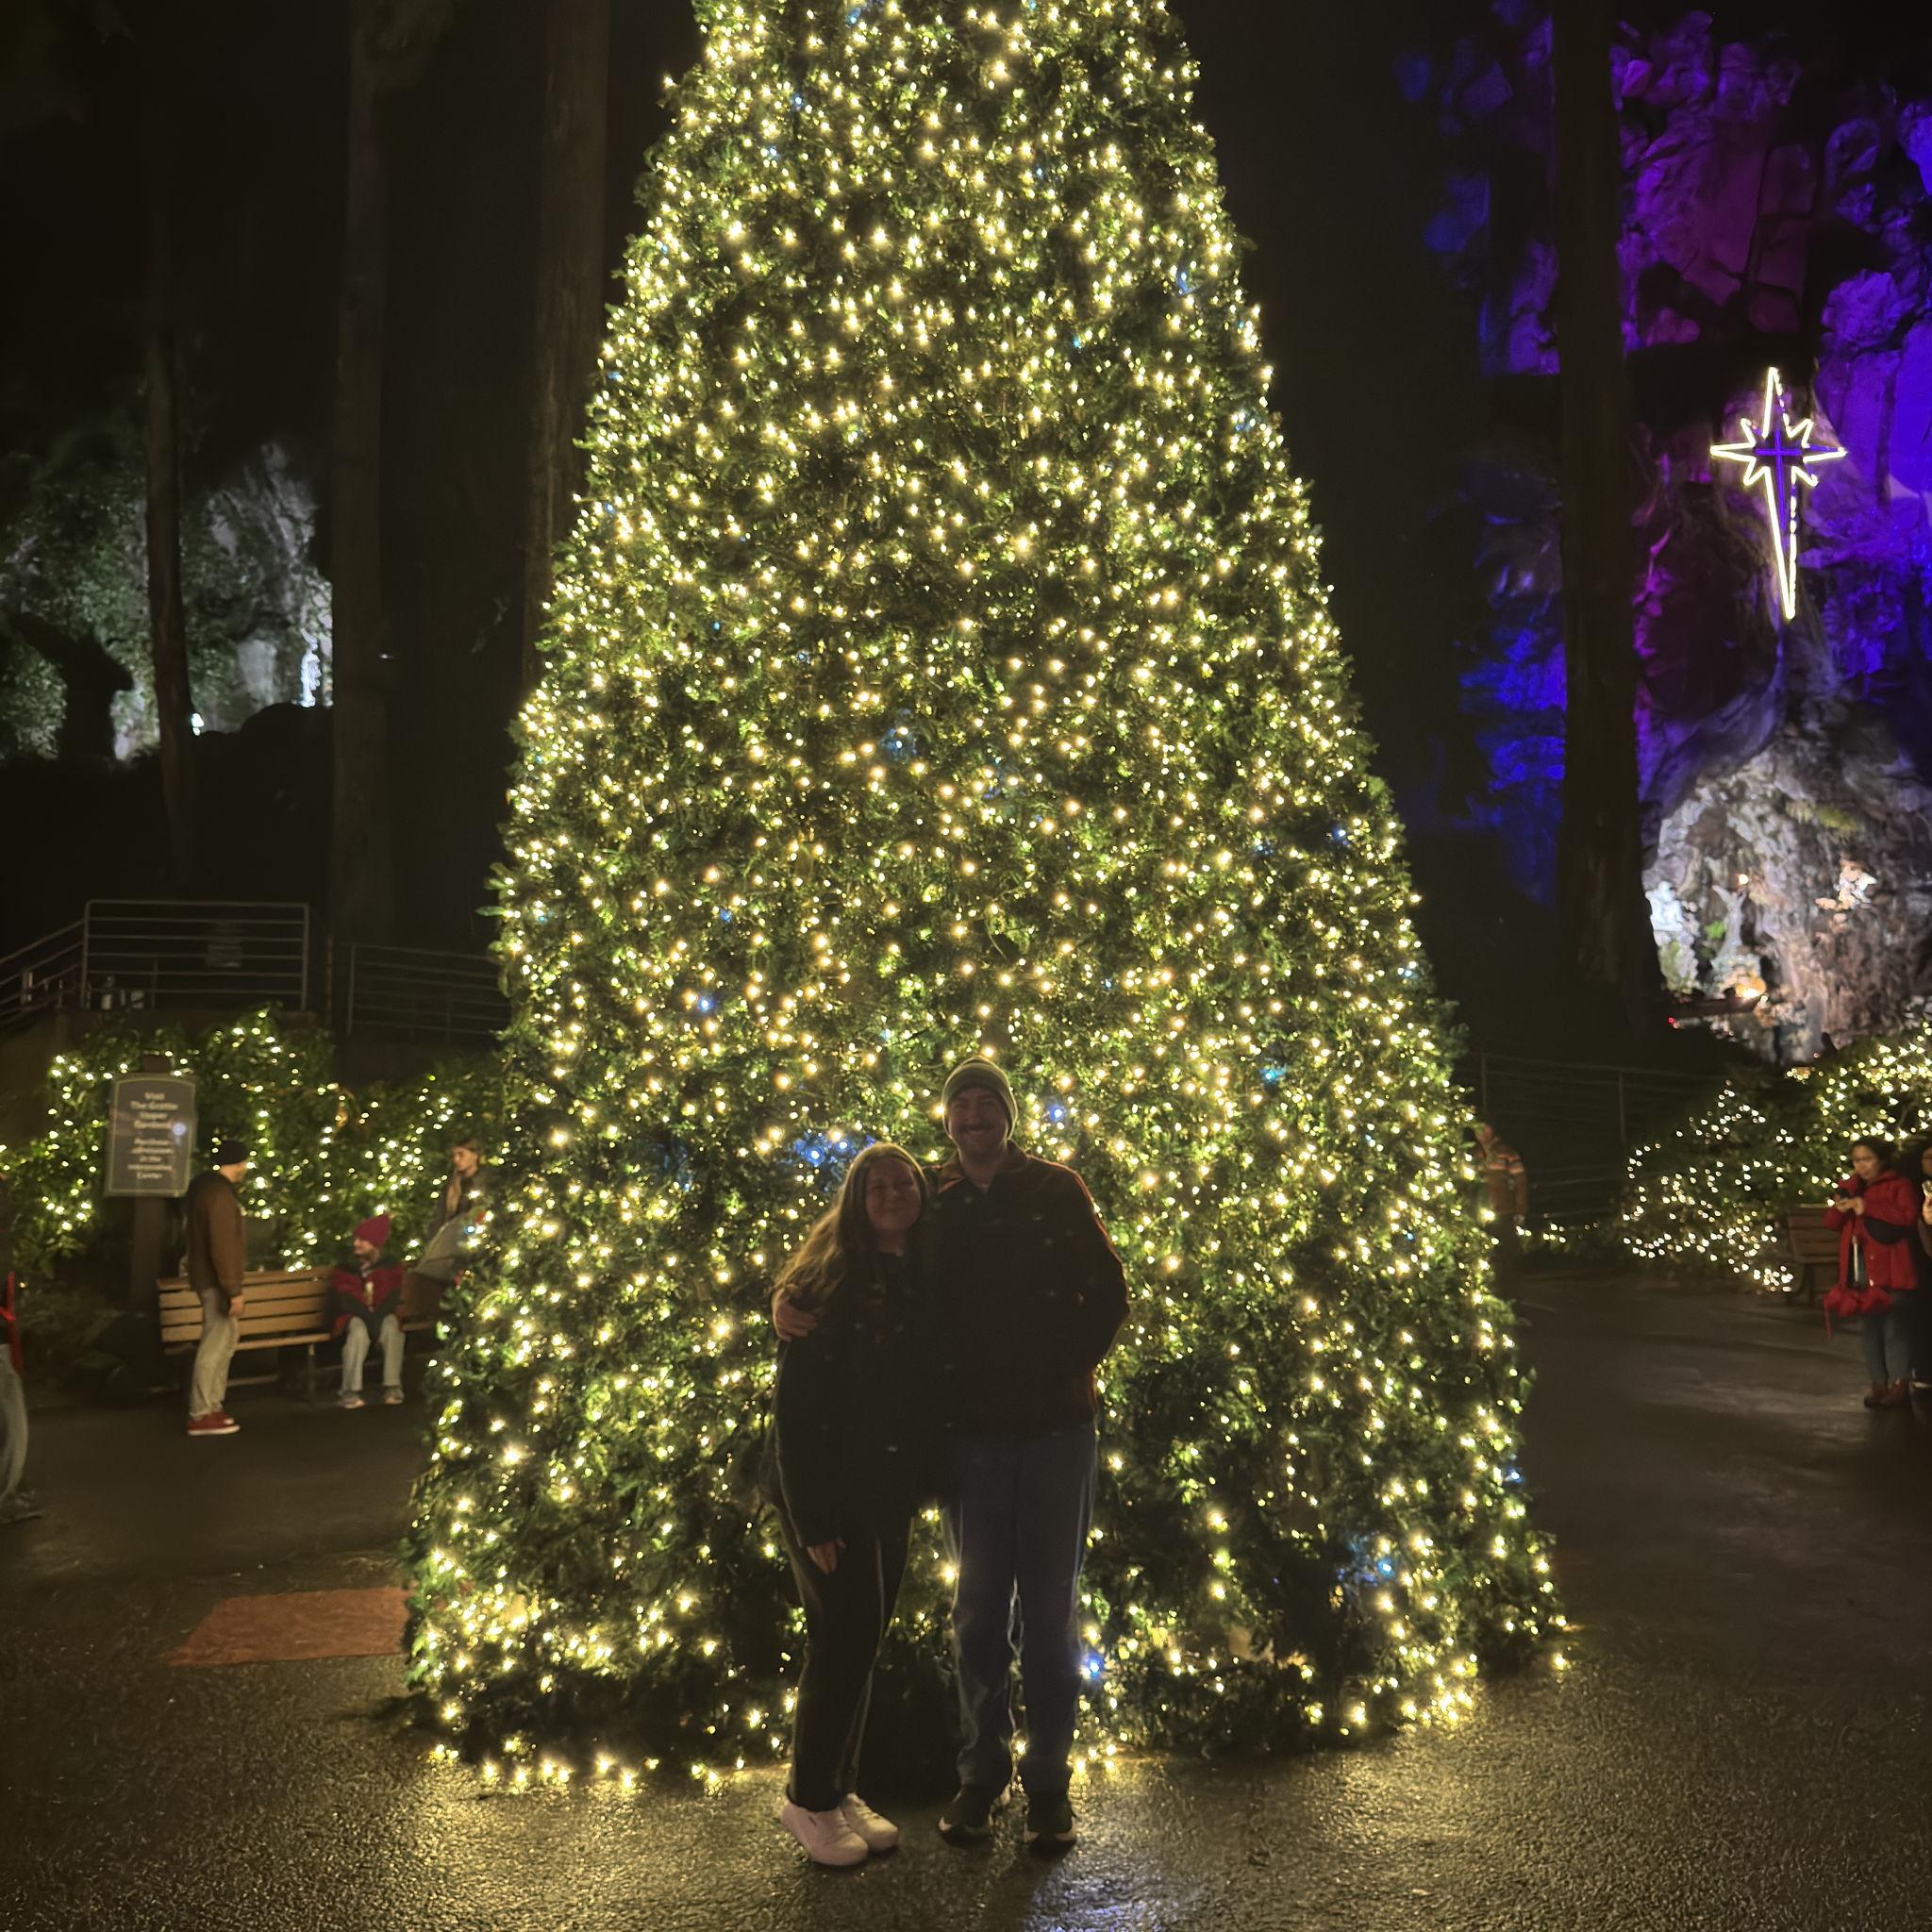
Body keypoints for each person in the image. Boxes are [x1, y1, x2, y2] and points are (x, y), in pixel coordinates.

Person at [775, 1056, 1129, 1854]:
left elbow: (1110, 1290)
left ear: (1008, 1114)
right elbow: (854, 1245)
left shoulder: (1057, 1189)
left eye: (987, 1102)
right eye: (961, 1104)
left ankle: (1048, 1785)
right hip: (969, 1443)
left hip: (1057, 1435)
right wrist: (788, 1298)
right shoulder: (930, 1197)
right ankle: (981, 1777)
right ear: (947, 1120)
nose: (974, 1115)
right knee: (977, 1616)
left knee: (1051, 1615)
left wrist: (1062, 1367)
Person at [770, 1141, 939, 1869]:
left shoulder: (918, 1270)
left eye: (905, 1183)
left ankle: (839, 1789)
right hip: (830, 1493)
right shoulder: (827, 1285)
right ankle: (808, 1799)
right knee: (840, 1641)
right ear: (856, 1201)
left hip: (886, 1488)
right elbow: (796, 1410)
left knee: (862, 1639)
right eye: (878, 1187)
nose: (894, 1195)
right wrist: (813, 1516)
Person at [1822, 1138, 1918, 1408]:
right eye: (1856, 1160)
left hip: (1891, 1266)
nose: (1861, 1166)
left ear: (1882, 1159)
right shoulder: (1852, 1187)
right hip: (1859, 1266)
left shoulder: (1899, 1184)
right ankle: (1878, 1383)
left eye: (1867, 1159)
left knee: (1894, 1326)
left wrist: (1868, 1207)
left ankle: (1900, 1383)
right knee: (1869, 1327)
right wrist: (1841, 1205)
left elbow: (1908, 1216)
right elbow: (1831, 1223)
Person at [183, 1138, 251, 1438]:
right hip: (217, 1283)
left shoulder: (205, 1190)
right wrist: (233, 1290)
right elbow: (223, 1246)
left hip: (209, 1279)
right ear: (239, 1163)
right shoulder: (221, 1196)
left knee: (224, 1339)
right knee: (217, 1343)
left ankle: (212, 1406)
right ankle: (202, 1411)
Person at [330, 1214, 407, 1409]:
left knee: (391, 1327)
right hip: (353, 1315)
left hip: (381, 1314)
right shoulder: (346, 1267)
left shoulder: (390, 1266)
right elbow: (346, 1299)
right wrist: (367, 1318)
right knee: (358, 1332)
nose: (356, 1244)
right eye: (356, 1239)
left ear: (375, 1243)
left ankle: (392, 1386)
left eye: (362, 1240)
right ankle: (349, 1391)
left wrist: (376, 1318)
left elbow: (390, 1298)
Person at [408, 1140, 487, 1309]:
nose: (456, 1160)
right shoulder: (452, 1185)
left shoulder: (484, 1182)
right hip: (450, 1241)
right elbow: (440, 1216)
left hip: (470, 1239)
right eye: (454, 1155)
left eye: (461, 1155)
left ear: (475, 1156)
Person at [1473, 1121, 1528, 1276]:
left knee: (1508, 1250)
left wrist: (1520, 1209)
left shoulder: (1506, 1153)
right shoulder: (1474, 1154)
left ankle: (1513, 1279)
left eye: (1485, 1128)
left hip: (1504, 1209)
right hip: (1479, 1212)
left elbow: (1520, 1182)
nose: (1482, 1132)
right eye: (1478, 1129)